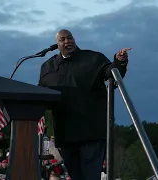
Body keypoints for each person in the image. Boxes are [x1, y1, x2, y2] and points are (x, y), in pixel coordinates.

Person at [38, 29, 131, 180]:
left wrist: (120, 61)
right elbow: (42, 95)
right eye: (63, 39)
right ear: (57, 44)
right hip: (65, 135)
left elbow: (112, 72)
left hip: (91, 133)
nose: (67, 41)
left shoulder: (93, 58)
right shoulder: (48, 67)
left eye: (70, 38)